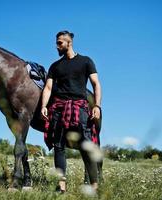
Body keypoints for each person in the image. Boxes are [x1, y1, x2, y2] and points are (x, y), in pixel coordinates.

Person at [41, 30, 102, 193]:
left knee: (86, 146)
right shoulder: (55, 66)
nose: (57, 46)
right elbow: (48, 88)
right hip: (59, 108)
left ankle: (94, 186)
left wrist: (96, 106)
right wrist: (43, 106)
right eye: (57, 42)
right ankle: (61, 187)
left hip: (79, 107)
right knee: (59, 146)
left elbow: (96, 84)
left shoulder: (86, 61)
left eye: (60, 42)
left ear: (69, 43)